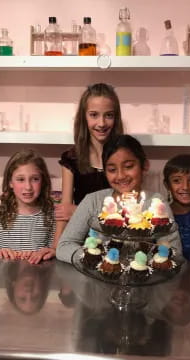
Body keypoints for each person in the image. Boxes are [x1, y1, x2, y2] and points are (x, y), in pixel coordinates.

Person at [56, 134, 182, 263]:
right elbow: (64, 246)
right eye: (112, 169)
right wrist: (95, 259)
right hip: (97, 279)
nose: (120, 176)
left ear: (144, 165)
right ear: (105, 172)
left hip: (143, 279)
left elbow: (174, 252)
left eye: (128, 167)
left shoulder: (157, 203)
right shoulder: (93, 201)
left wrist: (143, 263)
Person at [54, 83, 124, 242]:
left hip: (117, 242)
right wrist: (55, 248)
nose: (101, 123)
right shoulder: (71, 159)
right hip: (82, 241)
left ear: (116, 118)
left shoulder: (125, 159)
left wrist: (79, 211)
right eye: (94, 115)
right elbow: (64, 212)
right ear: (83, 117)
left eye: (109, 115)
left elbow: (127, 211)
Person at [0, 150, 56, 264]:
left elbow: (52, 257)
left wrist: (43, 254)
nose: (28, 187)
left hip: (38, 279)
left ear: (43, 181)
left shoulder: (51, 215)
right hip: (3, 279)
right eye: (20, 179)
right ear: (10, 182)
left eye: (35, 179)